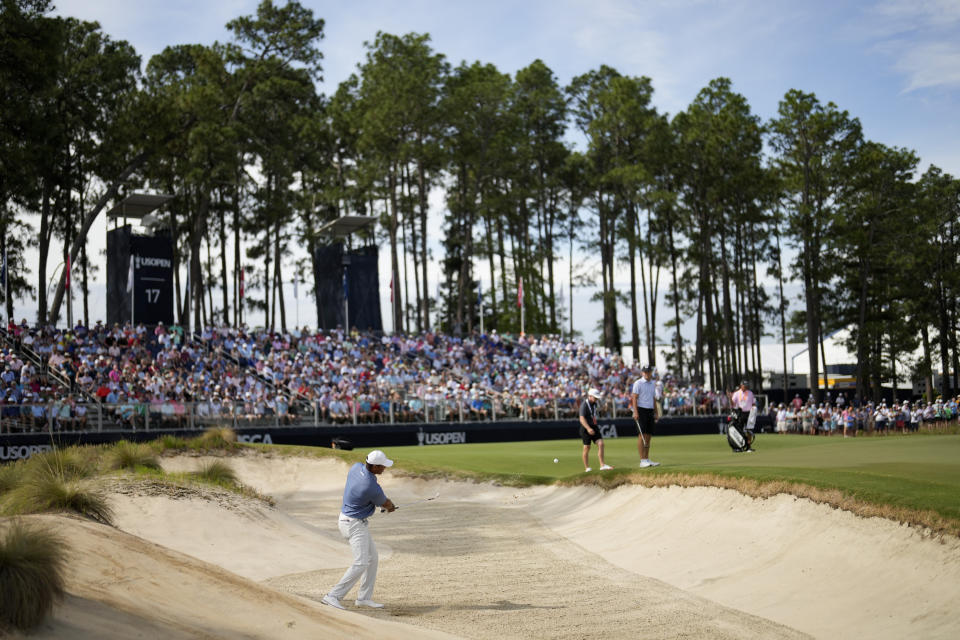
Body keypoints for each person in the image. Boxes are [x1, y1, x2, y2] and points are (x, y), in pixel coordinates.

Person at [322, 450, 397, 610]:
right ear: (375, 466)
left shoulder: (356, 467)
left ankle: (363, 598)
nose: (385, 468)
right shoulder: (370, 486)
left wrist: (384, 505)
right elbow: (386, 503)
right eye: (383, 466)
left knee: (372, 558)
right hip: (354, 524)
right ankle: (333, 596)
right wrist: (390, 507)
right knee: (361, 562)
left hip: (349, 520)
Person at [630, 365, 661, 467]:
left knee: (648, 436)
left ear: (651, 372)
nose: (647, 374)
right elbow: (634, 398)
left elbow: (653, 399)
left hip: (650, 410)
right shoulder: (638, 383)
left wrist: (656, 412)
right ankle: (642, 460)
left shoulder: (652, 384)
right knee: (642, 435)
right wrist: (635, 412)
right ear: (642, 373)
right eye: (645, 372)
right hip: (641, 410)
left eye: (648, 372)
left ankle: (647, 459)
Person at [578, 388, 612, 472]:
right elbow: (581, 419)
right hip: (586, 428)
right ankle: (587, 468)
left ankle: (602, 465)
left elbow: (597, 413)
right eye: (595, 397)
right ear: (590, 396)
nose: (596, 399)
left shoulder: (594, 403)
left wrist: (604, 408)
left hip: (594, 426)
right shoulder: (584, 405)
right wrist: (588, 428)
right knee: (587, 447)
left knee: (601, 444)